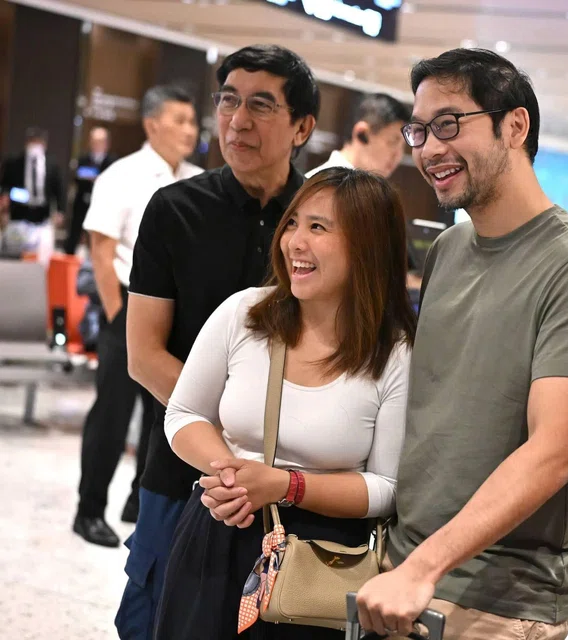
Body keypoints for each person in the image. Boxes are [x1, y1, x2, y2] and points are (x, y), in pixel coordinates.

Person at [355, 48, 568, 640]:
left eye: (450, 124)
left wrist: (424, 567)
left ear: (515, 126)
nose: (428, 149)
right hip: (403, 571)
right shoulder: (450, 251)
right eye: (419, 130)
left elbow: (551, 455)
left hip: (498, 602)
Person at [155, 168, 415, 639]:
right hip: (219, 529)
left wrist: (284, 485)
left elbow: (387, 486)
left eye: (318, 227)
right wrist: (234, 477)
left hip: (319, 562)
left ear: (368, 245)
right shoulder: (244, 314)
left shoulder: (394, 353)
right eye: (293, 223)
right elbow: (184, 412)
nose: (295, 241)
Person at [118, 45, 318, 639]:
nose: (237, 120)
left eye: (261, 105)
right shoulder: (174, 210)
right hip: (181, 473)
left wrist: (267, 468)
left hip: (286, 488)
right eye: (228, 100)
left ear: (302, 127)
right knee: (151, 623)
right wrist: (223, 452)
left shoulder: (320, 220)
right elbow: (144, 354)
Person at [72, 86, 201, 548]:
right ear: (152, 124)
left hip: (177, 314)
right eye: (180, 120)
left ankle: (137, 501)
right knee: (112, 413)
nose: (190, 130)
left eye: (192, 121)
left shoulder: (198, 179)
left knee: (165, 415)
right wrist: (115, 316)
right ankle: (89, 509)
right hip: (127, 307)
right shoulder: (121, 175)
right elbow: (102, 253)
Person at [307, 92, 409, 179]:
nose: (398, 155)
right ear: (362, 134)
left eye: (403, 146)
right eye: (392, 141)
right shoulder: (321, 184)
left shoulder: (370, 192)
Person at [0, 127, 65, 260]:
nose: (35, 145)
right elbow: (4, 185)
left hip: (42, 216)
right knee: (15, 253)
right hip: (19, 213)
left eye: (39, 142)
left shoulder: (52, 164)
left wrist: (60, 210)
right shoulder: (14, 162)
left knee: (41, 257)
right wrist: (5, 198)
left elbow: (59, 189)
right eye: (32, 141)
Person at [65, 126, 116, 255]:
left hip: (103, 205)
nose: (96, 145)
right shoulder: (82, 160)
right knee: (74, 233)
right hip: (82, 203)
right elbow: (76, 178)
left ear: (106, 143)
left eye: (99, 141)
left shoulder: (113, 162)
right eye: (93, 141)